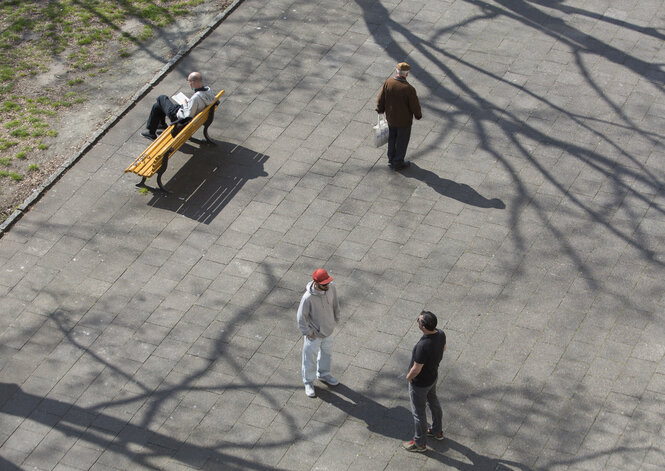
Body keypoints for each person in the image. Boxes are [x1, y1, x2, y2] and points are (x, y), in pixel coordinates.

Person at [403, 310, 447, 452]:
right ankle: (437, 431)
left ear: (423, 327)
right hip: (432, 377)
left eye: (419, 320)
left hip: (420, 384)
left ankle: (419, 443)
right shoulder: (440, 334)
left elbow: (417, 368)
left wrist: (409, 378)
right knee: (434, 402)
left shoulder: (422, 347)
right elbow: (444, 348)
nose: (418, 320)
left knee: (419, 413)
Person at [297, 268, 341, 398]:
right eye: (324, 284)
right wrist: (307, 332)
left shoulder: (331, 287)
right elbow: (301, 317)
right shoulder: (307, 298)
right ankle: (308, 382)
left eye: (327, 283)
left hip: (328, 330)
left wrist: (336, 318)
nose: (327, 286)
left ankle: (324, 374)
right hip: (314, 334)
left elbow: (335, 303)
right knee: (309, 357)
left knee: (327, 354)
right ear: (316, 283)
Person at [141, 71, 216, 139]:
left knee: (162, 98)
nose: (188, 83)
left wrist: (184, 104)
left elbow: (186, 116)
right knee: (157, 106)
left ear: (193, 82)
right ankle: (160, 127)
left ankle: (151, 132)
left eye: (189, 81)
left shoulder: (196, 98)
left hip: (178, 117)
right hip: (193, 112)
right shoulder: (208, 90)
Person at [376, 62, 422, 170]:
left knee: (392, 138)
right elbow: (414, 105)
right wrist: (418, 115)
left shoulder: (389, 82)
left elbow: (381, 97)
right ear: (407, 74)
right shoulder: (409, 89)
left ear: (396, 71)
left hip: (391, 118)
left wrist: (380, 109)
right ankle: (398, 162)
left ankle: (391, 158)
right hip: (404, 121)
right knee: (402, 141)